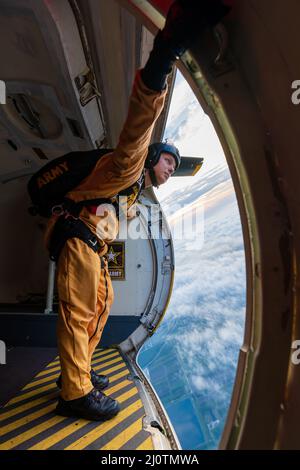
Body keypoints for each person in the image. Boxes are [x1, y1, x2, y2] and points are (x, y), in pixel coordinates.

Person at [44, 0, 231, 421]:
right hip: (77, 239)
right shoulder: (129, 163)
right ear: (151, 158)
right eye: (168, 159)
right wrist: (164, 55)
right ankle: (73, 395)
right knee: (78, 315)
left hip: (91, 246)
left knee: (101, 307)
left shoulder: (134, 193)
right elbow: (139, 121)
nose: (170, 167)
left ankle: (82, 373)